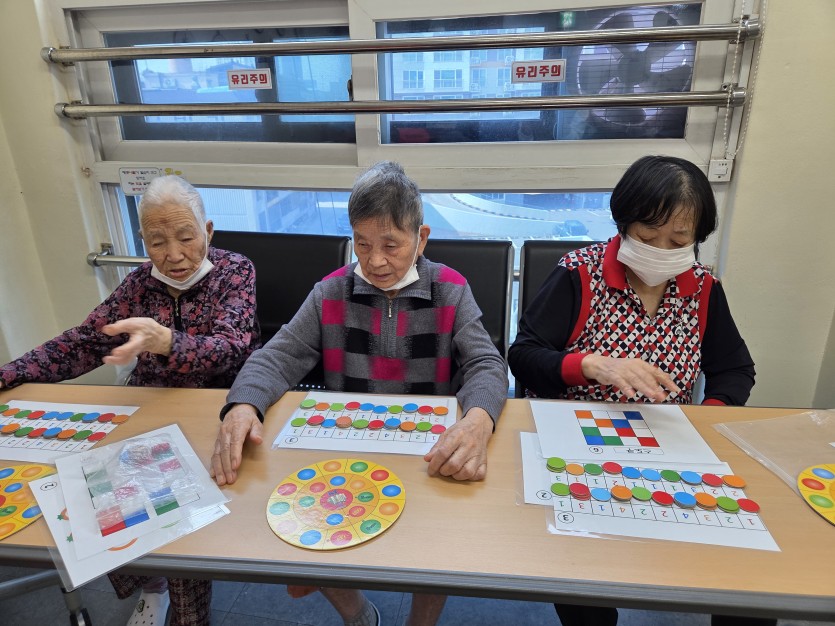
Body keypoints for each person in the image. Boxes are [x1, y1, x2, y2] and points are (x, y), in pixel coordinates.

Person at [212, 161, 508, 626]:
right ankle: (358, 615)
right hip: (345, 450)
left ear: (421, 238)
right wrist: (243, 403)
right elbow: (277, 356)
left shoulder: (451, 290)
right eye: (363, 244)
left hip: (425, 450)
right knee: (309, 529)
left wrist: (478, 420)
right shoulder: (330, 291)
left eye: (391, 245)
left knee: (438, 545)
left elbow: (487, 364)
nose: (375, 261)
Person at [508, 155, 765, 626]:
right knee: (585, 579)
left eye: (679, 242)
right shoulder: (578, 273)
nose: (662, 251)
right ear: (624, 225)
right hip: (581, 444)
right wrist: (590, 365)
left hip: (672, 446)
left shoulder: (703, 288)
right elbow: (523, 355)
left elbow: (734, 369)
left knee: (750, 582)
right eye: (647, 238)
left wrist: (706, 415)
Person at [0, 175, 260, 626]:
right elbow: (83, 343)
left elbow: (231, 348)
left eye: (186, 237)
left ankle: (189, 615)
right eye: (157, 242)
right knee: (97, 495)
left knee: (180, 518)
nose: (173, 255)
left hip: (219, 407)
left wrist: (166, 341)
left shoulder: (235, 271)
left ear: (208, 231)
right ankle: (150, 584)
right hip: (150, 407)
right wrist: (8, 374)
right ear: (144, 242)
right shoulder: (139, 285)